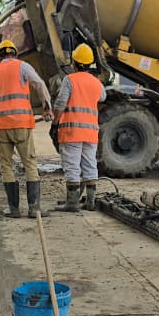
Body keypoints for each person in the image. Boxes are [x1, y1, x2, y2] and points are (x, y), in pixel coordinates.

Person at [0, 39, 54, 218]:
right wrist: (47, 108)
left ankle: (13, 209)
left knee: (6, 165)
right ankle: (34, 209)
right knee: (30, 163)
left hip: (1, 126)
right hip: (22, 124)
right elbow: (39, 84)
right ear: (15, 54)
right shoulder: (23, 67)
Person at [53, 45, 106, 212]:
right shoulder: (97, 83)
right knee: (90, 165)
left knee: (72, 166)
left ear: (74, 62)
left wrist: (55, 121)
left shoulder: (70, 80)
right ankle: (90, 202)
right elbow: (103, 97)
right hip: (90, 132)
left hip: (72, 131)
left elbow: (61, 103)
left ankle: (72, 203)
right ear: (90, 64)